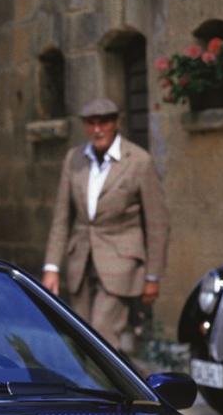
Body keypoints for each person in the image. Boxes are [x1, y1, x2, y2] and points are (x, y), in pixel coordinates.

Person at [42, 97, 169, 355]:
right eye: (91, 123)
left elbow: (158, 223)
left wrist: (153, 276)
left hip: (120, 264)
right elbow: (61, 217)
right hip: (81, 262)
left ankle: (106, 393)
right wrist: (52, 267)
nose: (97, 129)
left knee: (101, 336)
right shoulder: (74, 159)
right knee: (79, 338)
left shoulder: (138, 161)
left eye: (104, 122)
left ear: (116, 124)